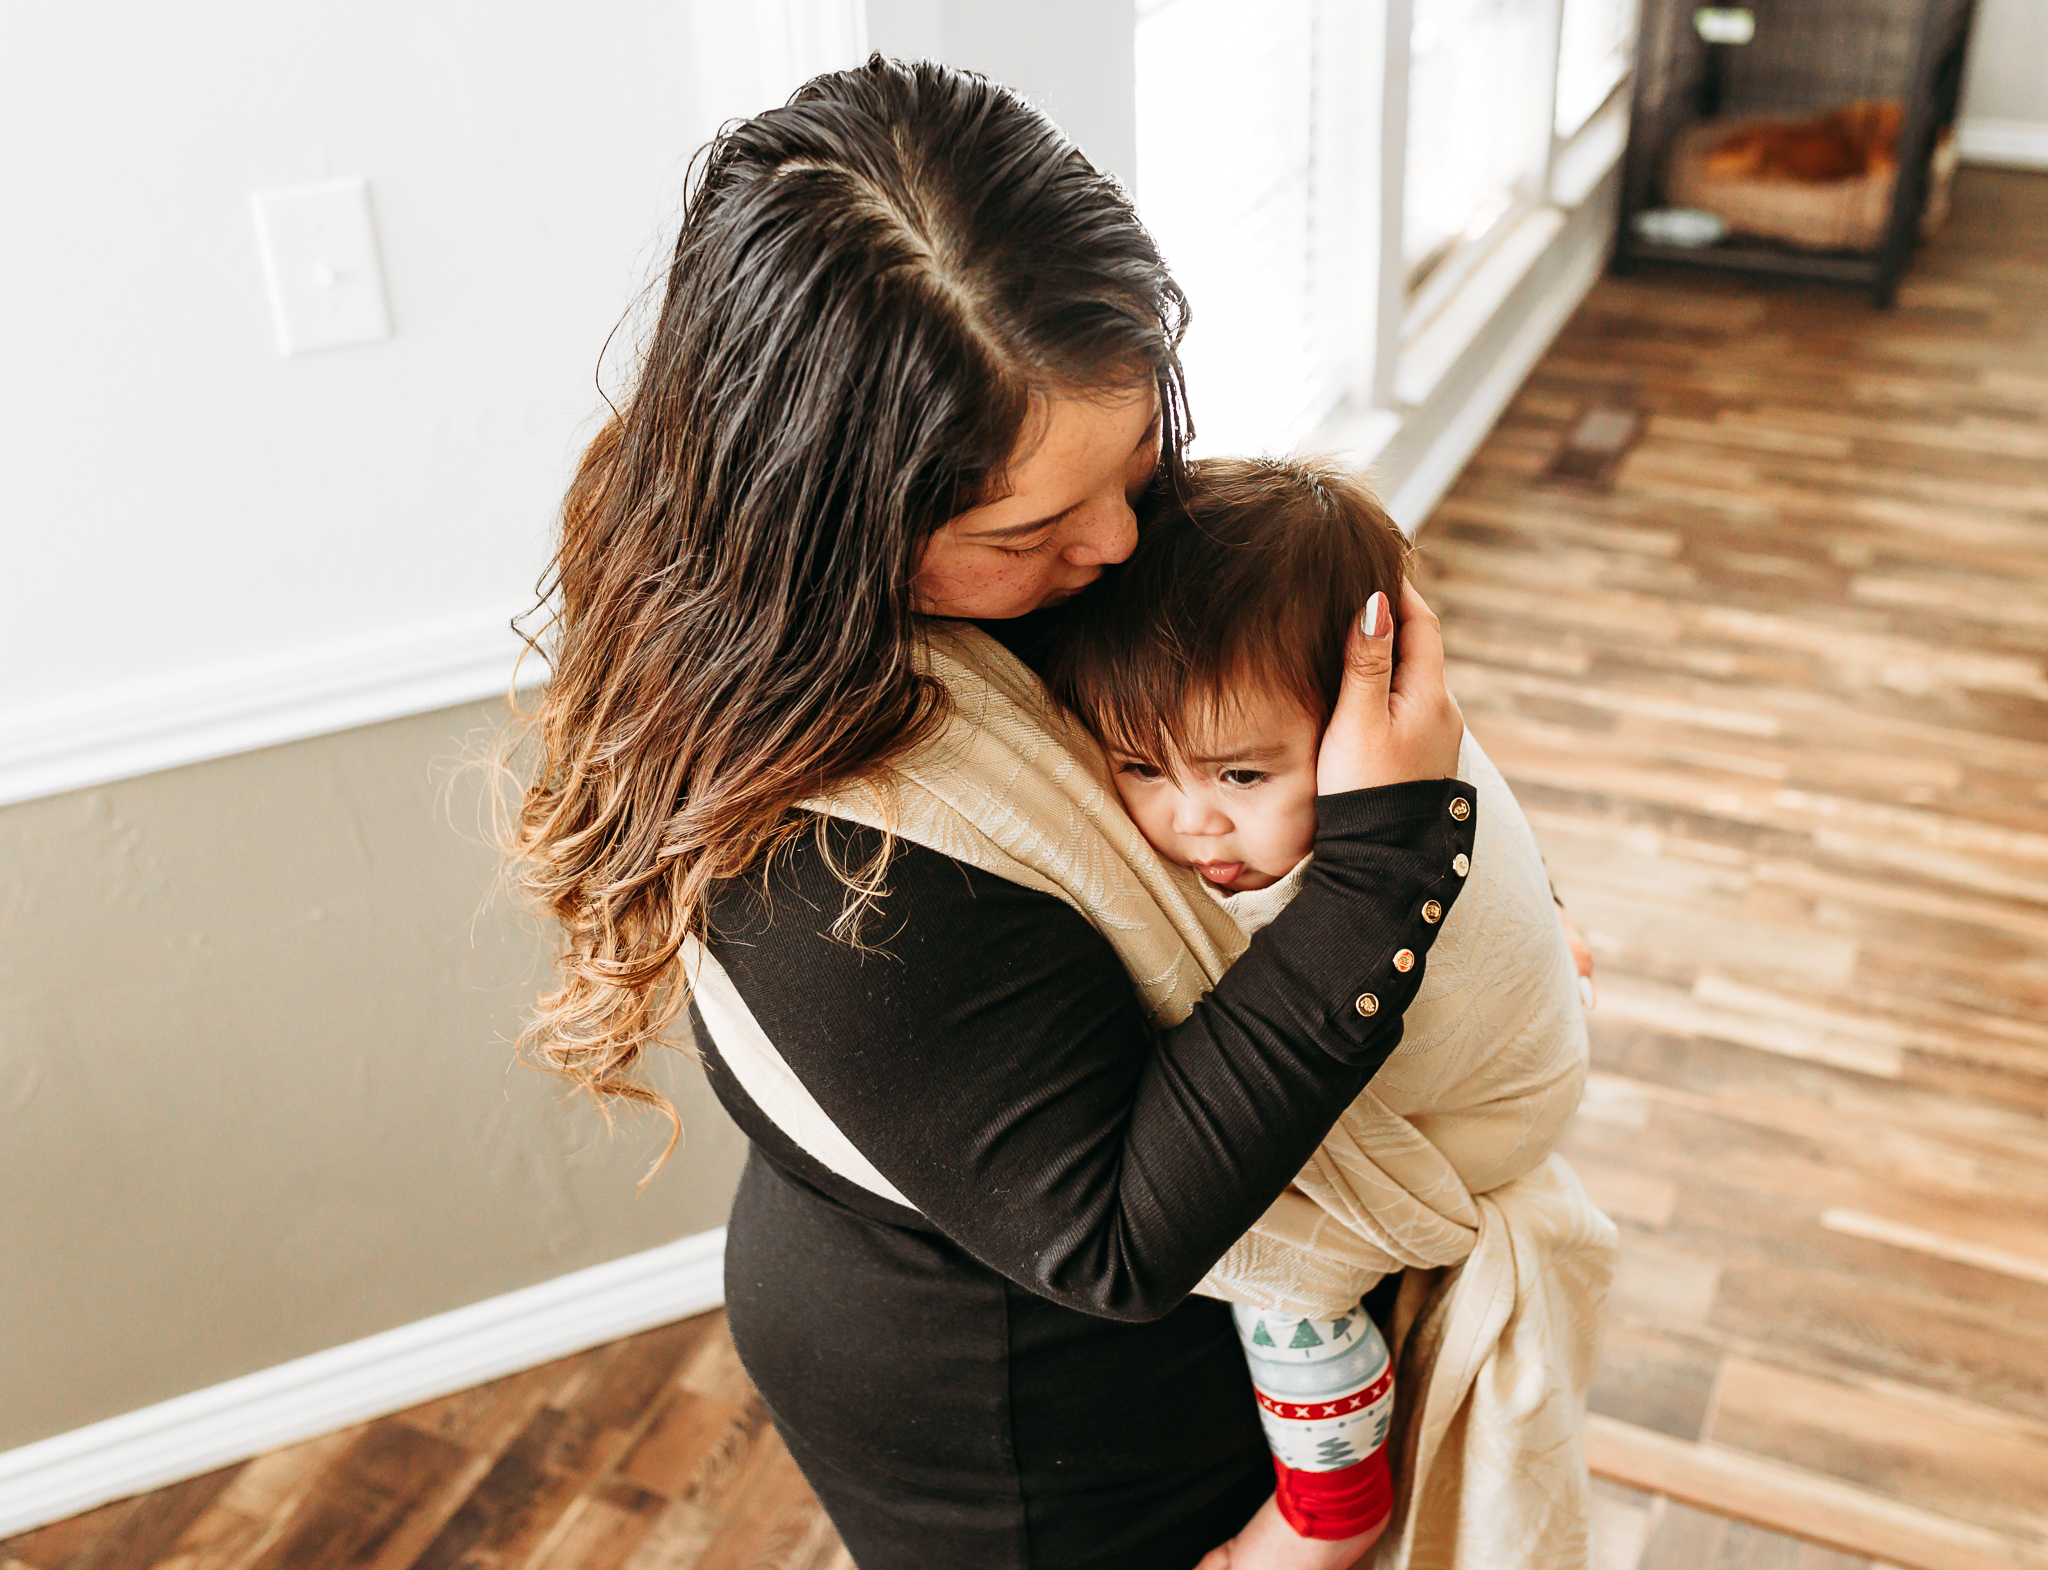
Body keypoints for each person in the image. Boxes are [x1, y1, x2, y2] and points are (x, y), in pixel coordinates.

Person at [513, 56, 1474, 1569]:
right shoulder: (826, 848)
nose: (1117, 541)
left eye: (1138, 458)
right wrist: (1389, 871)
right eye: (1026, 529)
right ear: (833, 518)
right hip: (1028, 1434)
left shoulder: (1013, 569)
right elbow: (1108, 1235)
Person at [1047, 457, 1610, 1567]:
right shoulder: (1414, 732)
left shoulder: (1306, 892)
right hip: (1551, 1023)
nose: (1189, 821)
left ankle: (1329, 1501)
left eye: (1241, 777)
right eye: (1138, 767)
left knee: (1270, 1259)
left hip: (1482, 1122)